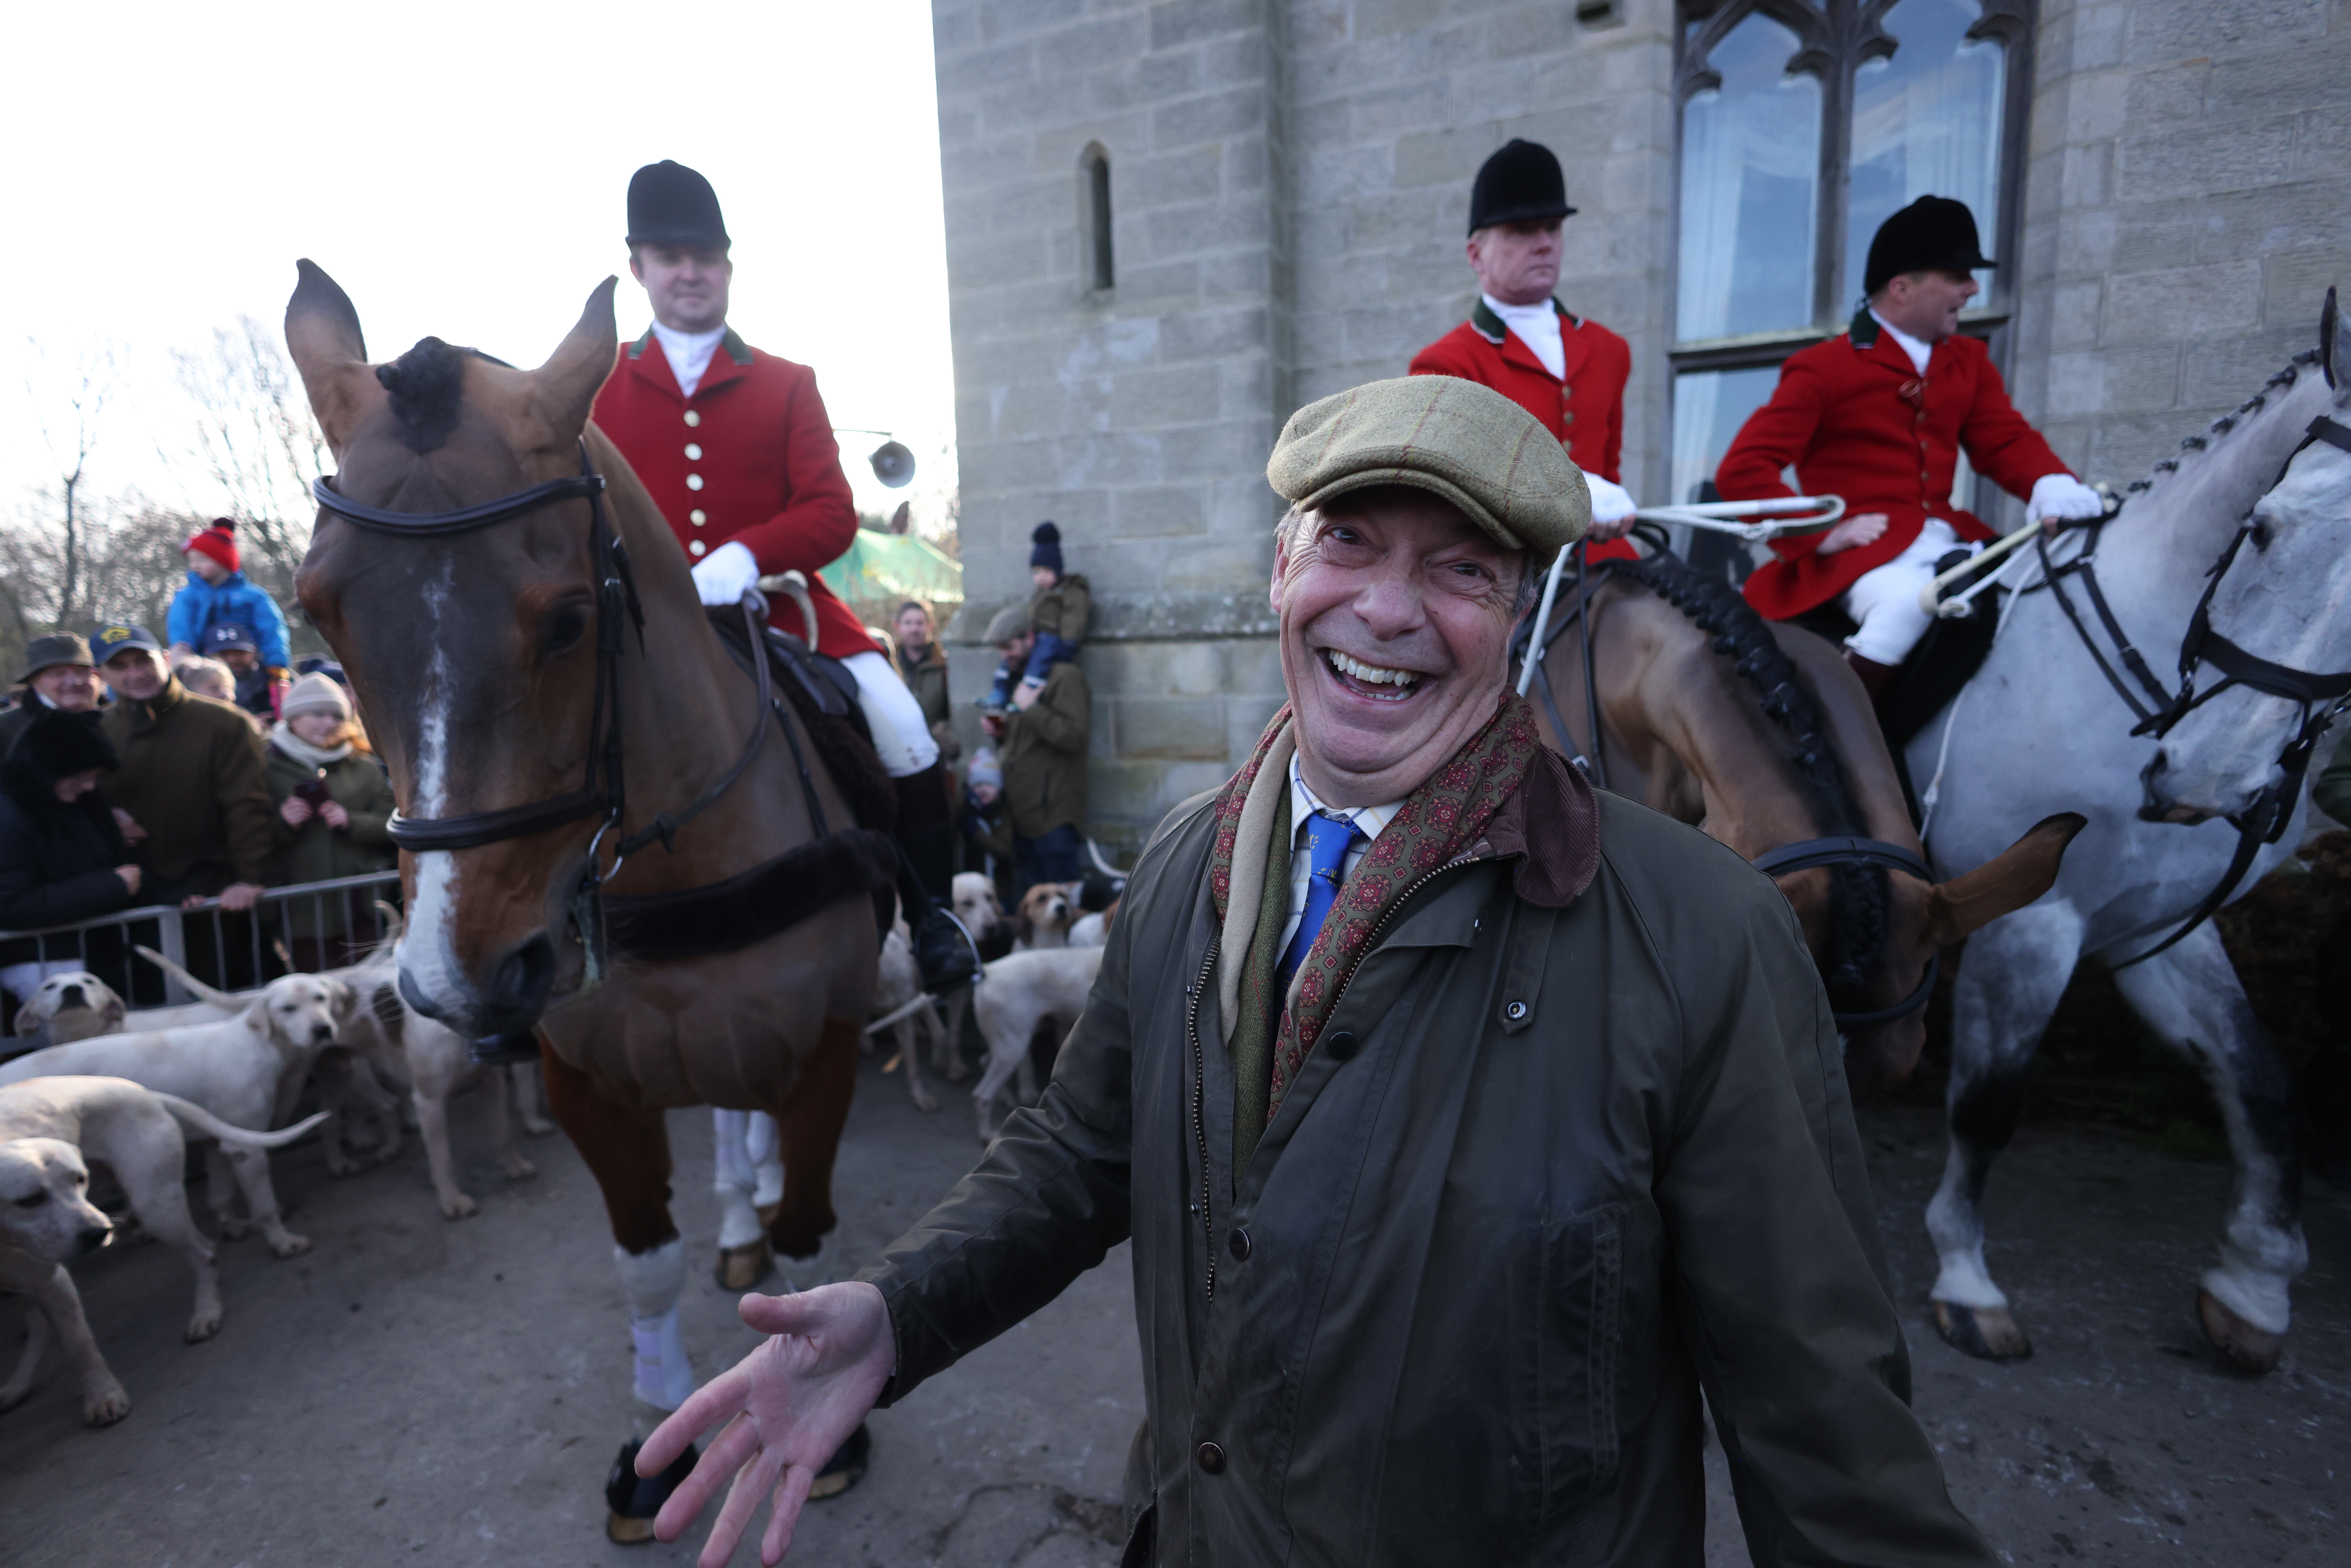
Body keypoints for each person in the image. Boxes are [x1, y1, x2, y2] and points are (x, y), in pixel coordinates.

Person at [635, 376, 1998, 1568]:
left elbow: (1828, 1429)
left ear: (1519, 616)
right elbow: (1084, 1143)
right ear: (1283, 570)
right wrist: (895, 1311)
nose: (1389, 608)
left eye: (1461, 569)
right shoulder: (1179, 864)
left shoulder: (1705, 933)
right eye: (1349, 541)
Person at [591, 159, 974, 1306]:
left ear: (724, 266)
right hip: (649, 642)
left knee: (904, 724)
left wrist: (746, 556)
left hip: (786, 611)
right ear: (641, 269)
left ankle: (936, 913)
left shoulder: (790, 381)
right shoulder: (601, 390)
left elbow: (830, 509)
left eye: (705, 256)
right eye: (670, 258)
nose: (690, 272)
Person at [1717, 196, 2105, 696]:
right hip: (1864, 556)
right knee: (1903, 607)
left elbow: (2003, 439)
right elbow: (1743, 470)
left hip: (1948, 539)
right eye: (1957, 275)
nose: (1971, 289)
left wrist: (2051, 484)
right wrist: (1821, 532)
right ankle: (1827, 753)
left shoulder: (1968, 361)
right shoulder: (1824, 367)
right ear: (1901, 287)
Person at [1410, 138, 1641, 560]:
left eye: (1552, 228)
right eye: (1522, 231)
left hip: (1604, 563)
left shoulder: (1611, 349)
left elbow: (1608, 472)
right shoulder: (1446, 363)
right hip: (1511, 567)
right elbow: (1456, 491)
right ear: (1476, 255)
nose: (1544, 244)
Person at [90, 624, 271, 916]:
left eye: (143, 661)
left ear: (165, 658)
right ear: (100, 675)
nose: (136, 674)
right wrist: (106, 816)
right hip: (127, 895)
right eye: (120, 666)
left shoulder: (224, 722)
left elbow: (247, 806)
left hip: (214, 892)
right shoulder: (96, 730)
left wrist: (249, 878)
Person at [0, 708, 139, 1019]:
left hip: (88, 954)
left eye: (94, 775)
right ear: (48, 770)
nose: (90, 785)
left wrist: (175, 895)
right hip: (45, 966)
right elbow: (9, 903)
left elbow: (119, 865)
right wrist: (112, 887)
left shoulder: (80, 802)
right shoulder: (11, 817)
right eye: (81, 776)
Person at [261, 673, 395, 972]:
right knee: (318, 987)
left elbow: (393, 820)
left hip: (362, 904)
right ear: (293, 718)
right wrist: (283, 823)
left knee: (367, 984)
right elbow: (247, 831)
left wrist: (353, 823)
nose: (329, 723)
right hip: (303, 907)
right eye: (318, 714)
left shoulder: (364, 766)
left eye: (337, 715)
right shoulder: (264, 766)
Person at [980, 607, 1090, 901]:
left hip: (1053, 818)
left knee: (1061, 907)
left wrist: (1032, 708)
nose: (1005, 655)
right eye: (1000, 649)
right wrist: (1001, 736)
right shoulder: (1020, 679)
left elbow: (1073, 737)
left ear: (1029, 638)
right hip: (1022, 817)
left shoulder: (1065, 677)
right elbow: (1027, 744)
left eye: (1009, 647)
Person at [166, 518, 292, 711]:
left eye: (202, 560)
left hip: (251, 664)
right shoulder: (188, 597)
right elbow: (181, 630)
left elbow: (272, 628)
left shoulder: (254, 596)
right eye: (192, 561)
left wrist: (276, 662)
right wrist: (185, 660)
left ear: (222, 560)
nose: (195, 566)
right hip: (206, 665)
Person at [979, 524, 1091, 710]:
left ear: (1058, 570)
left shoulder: (1071, 593)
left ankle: (1028, 690)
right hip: (1036, 638)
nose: (1042, 578)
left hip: (1055, 640)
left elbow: (1074, 619)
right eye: (1037, 573)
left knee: (1040, 658)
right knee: (1009, 659)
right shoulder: (1039, 595)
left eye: (1047, 572)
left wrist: (1069, 644)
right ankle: (999, 692)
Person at [0, 634, 105, 758]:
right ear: (35, 683)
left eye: (82, 672)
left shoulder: (119, 721)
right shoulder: (7, 728)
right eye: (58, 674)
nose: (74, 682)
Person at [891, 601, 955, 762]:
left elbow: (954, 715)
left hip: (937, 753)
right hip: (898, 752)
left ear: (930, 626)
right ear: (897, 626)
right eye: (908, 623)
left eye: (920, 623)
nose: (914, 629)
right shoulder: (888, 666)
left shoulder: (946, 666)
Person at [197, 623, 276, 718]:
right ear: (208, 656)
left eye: (239, 653)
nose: (233, 660)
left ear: (254, 651)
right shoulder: (197, 687)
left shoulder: (275, 678)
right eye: (224, 655)